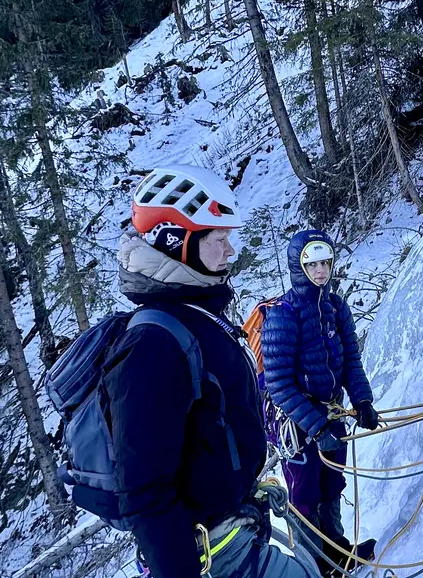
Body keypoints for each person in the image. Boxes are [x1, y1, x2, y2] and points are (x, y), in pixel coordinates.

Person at [103, 165, 319, 578]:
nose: (230, 250)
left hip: (234, 532)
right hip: (211, 556)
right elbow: (144, 489)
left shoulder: (194, 317)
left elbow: (210, 436)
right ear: (176, 242)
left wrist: (246, 487)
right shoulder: (153, 342)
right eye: (219, 238)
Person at [261, 230, 382, 576]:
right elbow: (279, 383)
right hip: (295, 424)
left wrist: (362, 400)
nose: (320, 271)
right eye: (311, 264)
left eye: (325, 262)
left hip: (333, 412)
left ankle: (337, 552)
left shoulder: (336, 307)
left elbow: (351, 361)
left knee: (332, 484)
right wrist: (317, 426)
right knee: (305, 493)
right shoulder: (283, 316)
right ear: (299, 267)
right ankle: (313, 566)